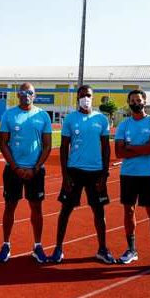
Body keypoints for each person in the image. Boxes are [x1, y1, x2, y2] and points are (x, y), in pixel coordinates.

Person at [49, 85, 116, 264]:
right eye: (82, 95)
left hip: (95, 173)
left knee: (99, 212)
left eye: (88, 95)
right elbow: (64, 147)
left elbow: (106, 148)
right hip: (74, 171)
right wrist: (65, 175)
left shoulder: (101, 119)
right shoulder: (70, 119)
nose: (85, 98)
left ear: (93, 97)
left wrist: (104, 174)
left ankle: (102, 249)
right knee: (65, 211)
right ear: (77, 98)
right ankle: (58, 248)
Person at [114, 89, 150, 273]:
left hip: (148, 176)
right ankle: (131, 250)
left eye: (139, 99)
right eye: (132, 100)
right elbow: (119, 153)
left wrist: (131, 148)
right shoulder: (123, 125)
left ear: (144, 101)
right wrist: (143, 147)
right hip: (128, 175)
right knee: (129, 211)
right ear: (129, 103)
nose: (136, 103)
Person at [0, 82, 52, 263]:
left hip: (35, 171)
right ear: (18, 95)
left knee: (36, 208)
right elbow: (3, 144)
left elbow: (47, 145)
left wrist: (35, 168)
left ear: (34, 95)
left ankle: (37, 246)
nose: (26, 95)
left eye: (30, 92)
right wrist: (16, 167)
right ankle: (6, 244)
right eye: (22, 92)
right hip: (13, 170)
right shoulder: (8, 115)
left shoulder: (43, 115)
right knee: (9, 207)